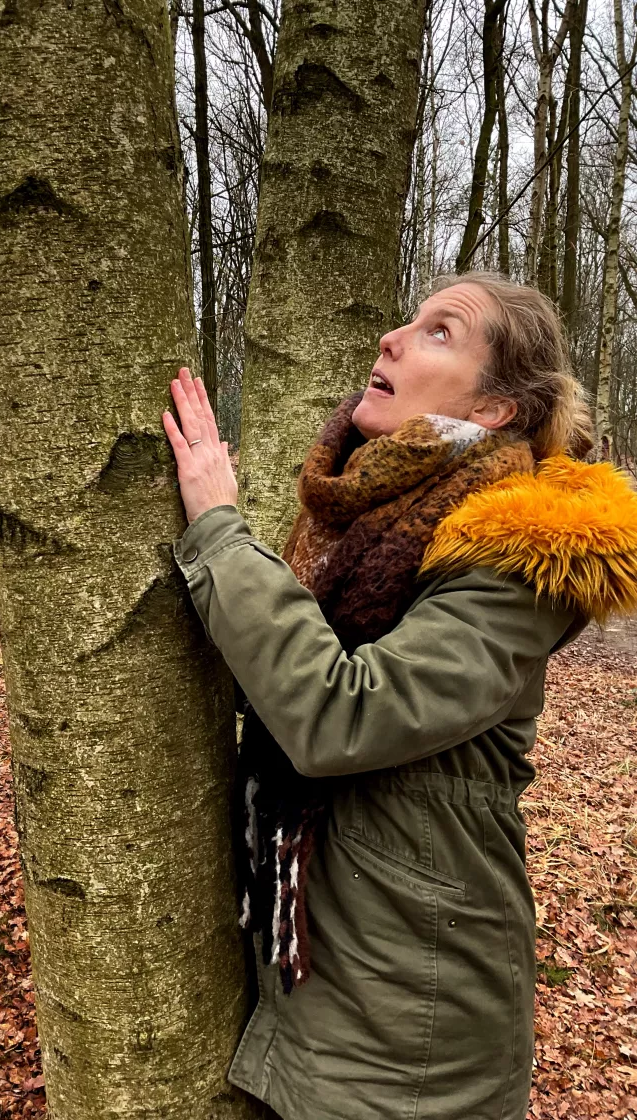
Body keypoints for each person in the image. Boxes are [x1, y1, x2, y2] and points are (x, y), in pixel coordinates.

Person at [160, 271, 637, 1120]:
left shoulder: (515, 559)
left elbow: (341, 713)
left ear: (495, 411)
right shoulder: (367, 518)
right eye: (410, 321)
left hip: (415, 1034)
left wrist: (220, 534)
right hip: (331, 986)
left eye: (441, 332)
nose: (393, 337)